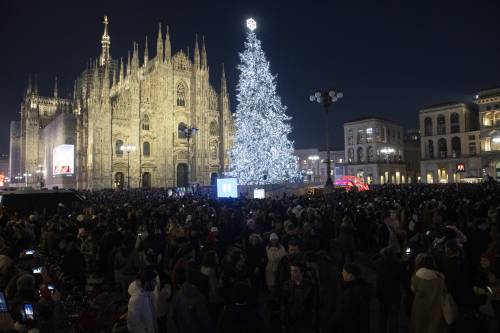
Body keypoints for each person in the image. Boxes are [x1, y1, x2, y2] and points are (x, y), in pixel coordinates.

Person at [410, 254, 447, 333]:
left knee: (420, 327)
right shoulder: (440, 276)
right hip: (436, 307)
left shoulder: (417, 275)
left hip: (420, 306)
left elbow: (413, 289)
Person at [280, 262, 318, 333]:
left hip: (304, 322)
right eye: (291, 271)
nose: (292, 273)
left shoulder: (309, 287)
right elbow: (283, 304)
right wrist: (283, 321)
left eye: (295, 271)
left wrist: (313, 324)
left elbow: (313, 306)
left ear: (302, 272)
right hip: (291, 322)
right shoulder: (287, 285)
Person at [333, 263, 370, 333]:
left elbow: (343, 311)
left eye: (344, 272)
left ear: (350, 275)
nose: (342, 273)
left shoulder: (352, 292)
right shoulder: (362, 288)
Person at [373, 247, 403, 333]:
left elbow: (371, 263)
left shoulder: (379, 263)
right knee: (393, 319)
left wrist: (377, 255)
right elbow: (402, 277)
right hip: (395, 295)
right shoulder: (398, 264)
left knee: (383, 317)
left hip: (382, 295)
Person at [127, 269, 158, 333]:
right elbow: (133, 324)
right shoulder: (136, 299)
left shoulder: (150, 295)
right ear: (147, 282)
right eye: (154, 281)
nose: (156, 283)